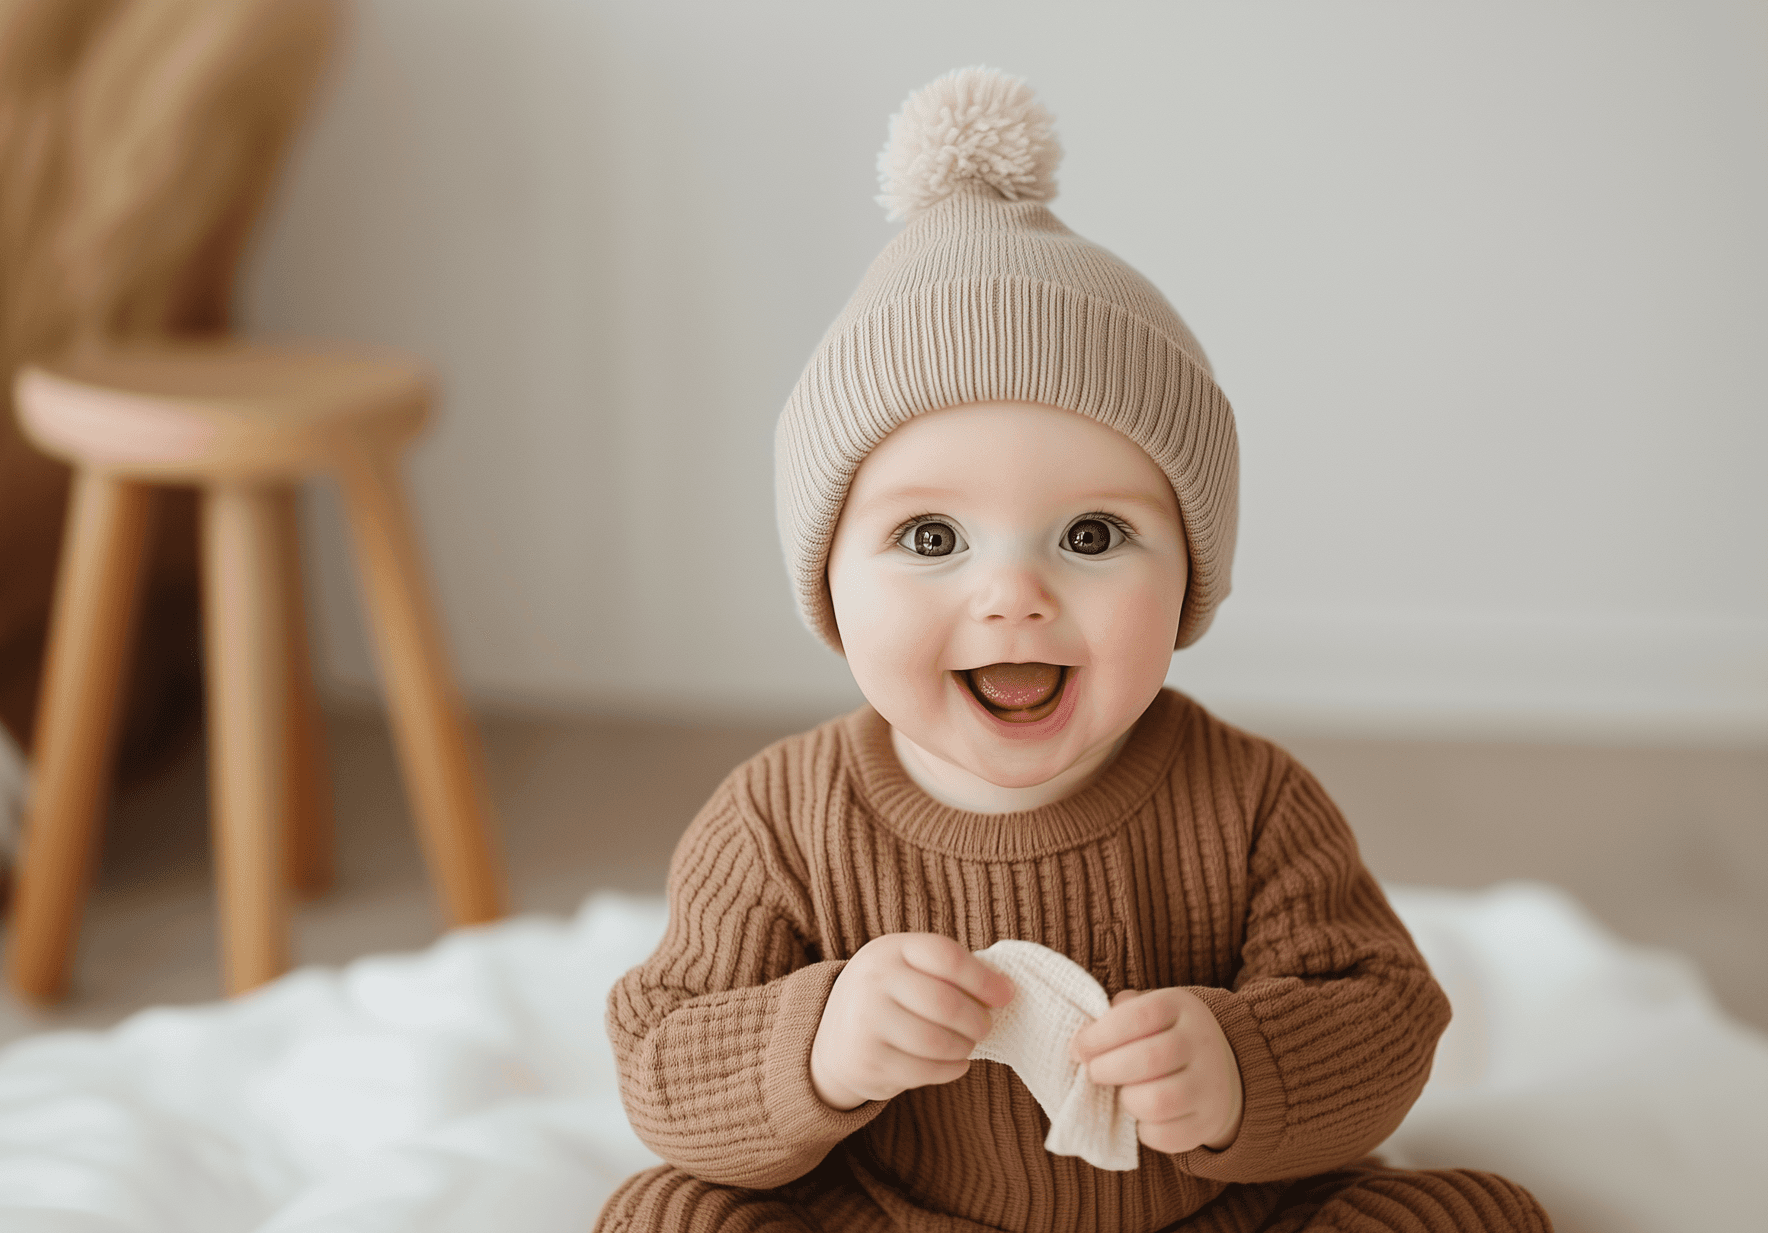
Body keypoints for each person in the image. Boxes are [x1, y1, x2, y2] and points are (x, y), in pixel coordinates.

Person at [595, 67, 1551, 1233]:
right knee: (668, 1211)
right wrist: (821, 1045)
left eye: (1091, 535)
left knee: (1474, 1213)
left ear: (1190, 575)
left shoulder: (1249, 803)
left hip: (1214, 1213)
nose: (1013, 596)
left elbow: (1386, 1017)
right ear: (829, 587)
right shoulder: (777, 822)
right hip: (897, 1215)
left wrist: (1244, 1068)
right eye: (929, 536)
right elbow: (659, 1065)